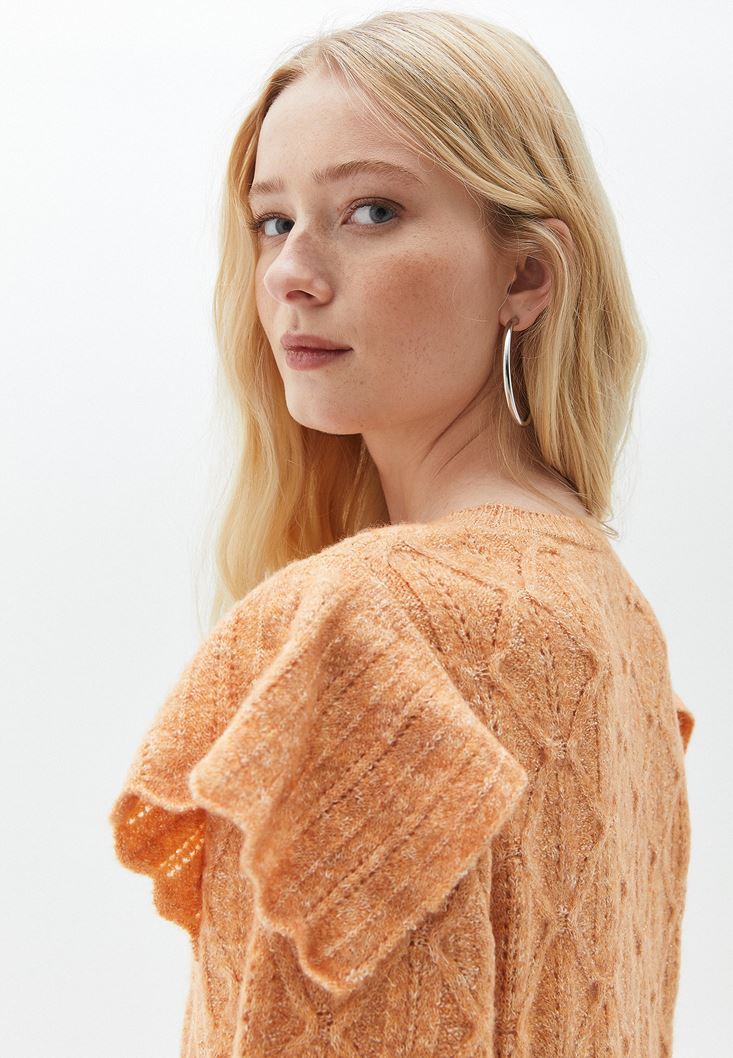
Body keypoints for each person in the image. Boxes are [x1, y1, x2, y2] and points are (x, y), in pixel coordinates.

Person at [108, 10, 695, 1056]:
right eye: (273, 221)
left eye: (371, 211)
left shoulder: (368, 621)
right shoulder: (612, 609)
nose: (291, 272)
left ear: (526, 276)